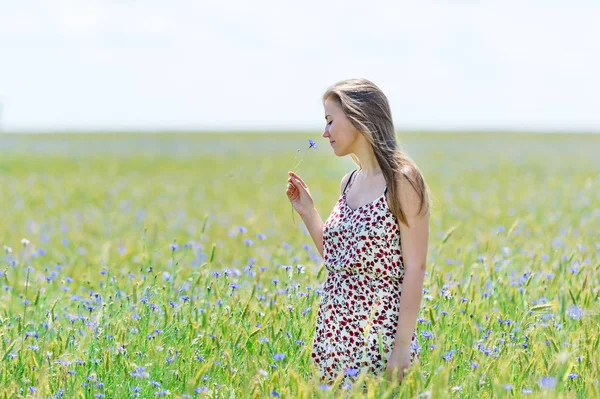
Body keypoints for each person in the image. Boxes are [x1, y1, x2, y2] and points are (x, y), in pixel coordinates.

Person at [285, 78, 431, 387]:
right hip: (333, 336)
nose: (325, 133)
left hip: (379, 339)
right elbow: (342, 262)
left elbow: (416, 267)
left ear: (357, 117)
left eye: (329, 121)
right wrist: (309, 212)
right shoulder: (348, 182)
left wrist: (401, 347)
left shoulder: (401, 179)